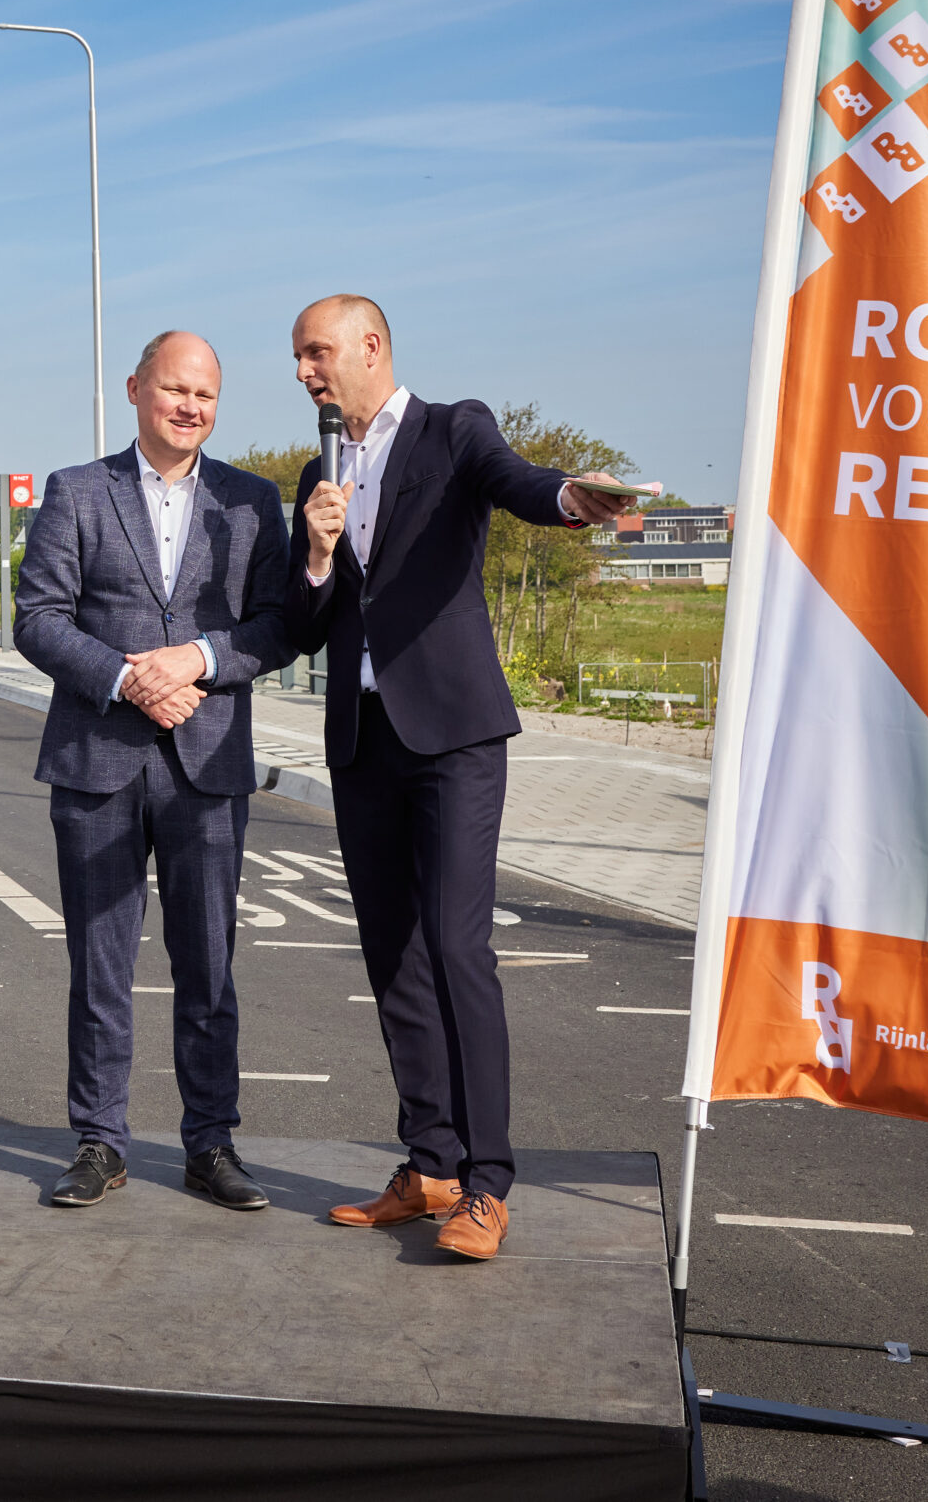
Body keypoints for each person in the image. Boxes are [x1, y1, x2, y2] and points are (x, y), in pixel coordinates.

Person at [283, 295, 627, 1259]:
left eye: (317, 352)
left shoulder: (453, 428)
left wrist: (571, 498)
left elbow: (520, 481)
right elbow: (306, 622)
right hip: (362, 739)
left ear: (371, 346)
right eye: (299, 358)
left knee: (455, 945)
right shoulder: (320, 470)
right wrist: (313, 552)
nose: (306, 371)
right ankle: (428, 1161)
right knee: (392, 954)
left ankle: (487, 1182)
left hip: (453, 736)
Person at [13, 331, 294, 1212]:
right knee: (100, 966)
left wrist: (201, 659)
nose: (190, 408)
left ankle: (211, 1144)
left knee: (208, 965)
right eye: (175, 390)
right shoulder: (76, 491)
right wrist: (128, 676)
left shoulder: (251, 502)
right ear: (136, 389)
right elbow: (37, 618)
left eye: (206, 396)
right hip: (97, 762)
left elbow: (280, 624)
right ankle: (101, 1141)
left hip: (207, 767)